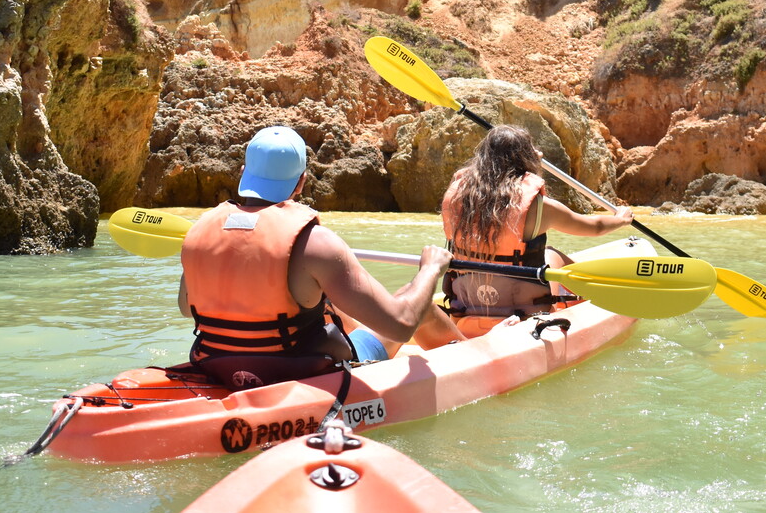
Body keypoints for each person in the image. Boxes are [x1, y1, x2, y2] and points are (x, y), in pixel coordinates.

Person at [179, 125, 463, 388]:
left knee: (325, 305)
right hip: (297, 371)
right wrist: (430, 268)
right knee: (415, 300)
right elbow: (401, 326)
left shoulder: (198, 233)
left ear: (243, 172)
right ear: (301, 181)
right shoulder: (317, 244)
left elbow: (185, 307)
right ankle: (476, 359)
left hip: (216, 366)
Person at [440, 124, 633, 317]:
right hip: (523, 308)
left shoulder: (457, 195)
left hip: (466, 302)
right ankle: (597, 296)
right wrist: (621, 219)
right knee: (551, 255)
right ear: (524, 158)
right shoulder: (539, 207)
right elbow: (595, 227)